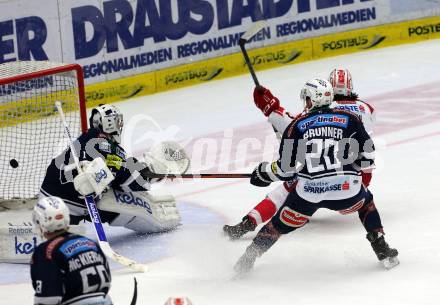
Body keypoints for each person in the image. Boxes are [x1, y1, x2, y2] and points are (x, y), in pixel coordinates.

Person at [233, 78, 398, 274]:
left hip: (308, 195)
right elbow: (369, 159)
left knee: (276, 226)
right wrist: (350, 167)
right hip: (347, 193)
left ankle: (247, 259)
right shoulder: (351, 119)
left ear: (311, 100)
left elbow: (286, 170)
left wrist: (263, 173)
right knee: (367, 203)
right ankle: (381, 247)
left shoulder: (297, 125)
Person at [223, 68, 376, 239]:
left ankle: (250, 223)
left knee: (289, 188)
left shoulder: (325, 109)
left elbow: (292, 126)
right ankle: (377, 240)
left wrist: (271, 108)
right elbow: (367, 150)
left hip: (325, 177)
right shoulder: (366, 108)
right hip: (356, 185)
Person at [40, 104, 187, 233]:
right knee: (120, 201)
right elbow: (128, 182)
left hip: (48, 196)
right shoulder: (107, 146)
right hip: (73, 200)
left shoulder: (86, 139)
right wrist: (148, 174)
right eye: (117, 121)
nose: (120, 124)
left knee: (105, 183)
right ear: (109, 123)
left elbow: (116, 167)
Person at [31, 196, 112, 305]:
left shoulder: (45, 251)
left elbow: (48, 299)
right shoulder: (91, 244)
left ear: (40, 221)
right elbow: (106, 284)